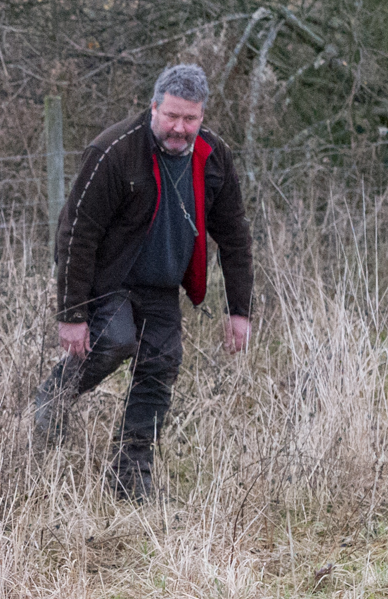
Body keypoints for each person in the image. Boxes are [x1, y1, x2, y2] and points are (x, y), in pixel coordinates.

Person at [35, 64, 253, 501]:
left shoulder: (213, 156)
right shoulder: (114, 151)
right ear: (153, 107)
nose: (180, 128)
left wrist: (240, 310)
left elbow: (234, 235)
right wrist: (72, 314)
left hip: (161, 284)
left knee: (159, 366)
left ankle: (131, 477)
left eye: (190, 118)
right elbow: (77, 233)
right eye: (171, 116)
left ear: (202, 115)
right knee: (114, 340)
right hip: (109, 276)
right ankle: (53, 397)